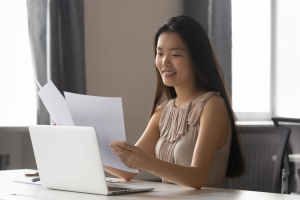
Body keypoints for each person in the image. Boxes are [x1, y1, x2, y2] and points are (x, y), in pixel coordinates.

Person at [107, 15, 245, 189]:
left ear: (197, 59)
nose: (165, 62)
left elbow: (197, 177)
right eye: (160, 53)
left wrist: (145, 162)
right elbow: (126, 171)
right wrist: (80, 147)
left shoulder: (212, 105)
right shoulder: (162, 111)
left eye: (175, 54)